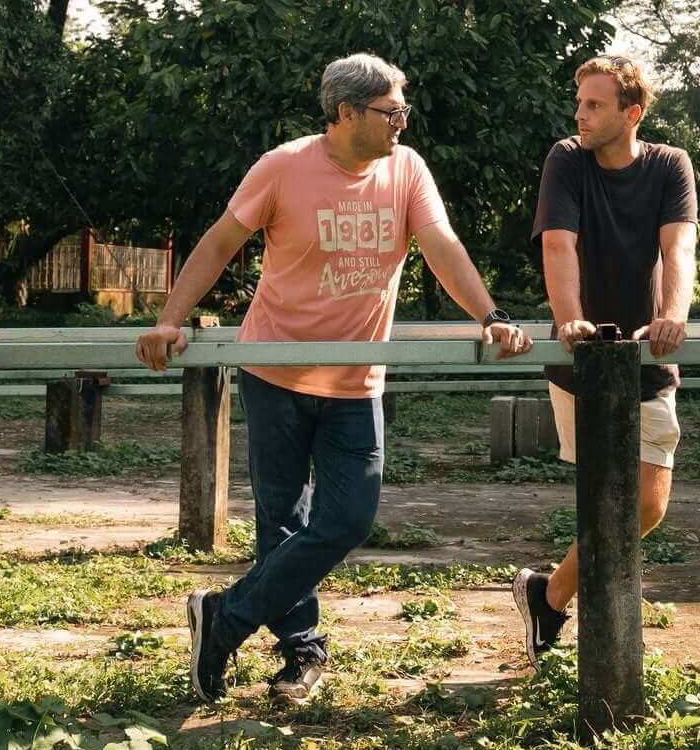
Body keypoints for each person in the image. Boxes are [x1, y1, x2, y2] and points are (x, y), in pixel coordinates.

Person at [138, 53, 531, 704]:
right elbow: (217, 243)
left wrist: (490, 316)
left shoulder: (406, 170)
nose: (403, 122)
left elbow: (441, 247)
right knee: (281, 523)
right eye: (392, 111)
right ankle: (301, 656)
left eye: (404, 110)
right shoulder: (285, 167)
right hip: (276, 369)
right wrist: (168, 321)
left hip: (355, 379)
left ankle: (224, 619)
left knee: (348, 518)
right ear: (347, 113)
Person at [512, 55, 696, 661]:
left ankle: (548, 594)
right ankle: (605, 648)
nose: (580, 114)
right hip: (581, 358)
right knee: (603, 498)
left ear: (632, 114)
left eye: (594, 105)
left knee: (647, 503)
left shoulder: (670, 165)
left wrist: (674, 314)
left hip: (647, 354)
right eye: (580, 102)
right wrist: (569, 317)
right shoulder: (567, 158)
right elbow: (559, 245)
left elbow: (679, 245)